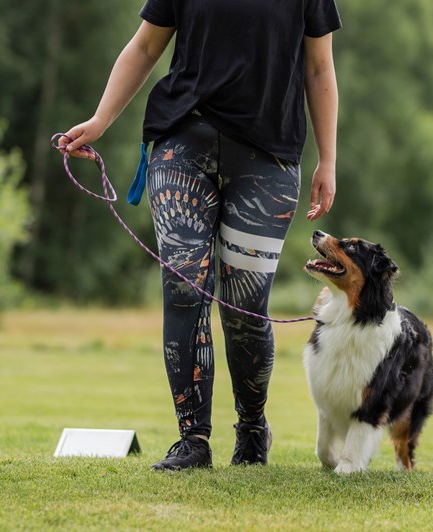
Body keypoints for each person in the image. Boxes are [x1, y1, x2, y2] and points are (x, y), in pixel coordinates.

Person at [57, 0, 341, 471]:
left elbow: (318, 67)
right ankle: (193, 438)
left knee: (244, 305)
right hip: (181, 141)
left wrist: (328, 159)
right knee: (183, 286)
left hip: (267, 157)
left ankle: (252, 426)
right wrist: (100, 119)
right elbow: (146, 46)